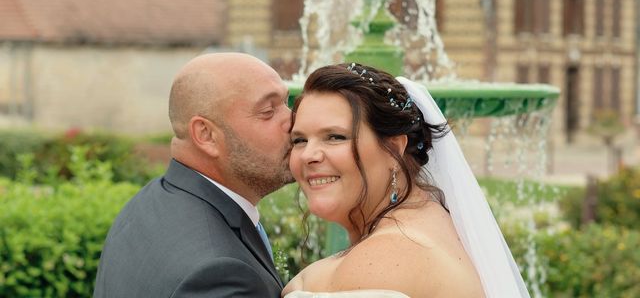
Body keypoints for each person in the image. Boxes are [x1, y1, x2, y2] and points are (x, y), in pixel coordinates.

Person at [282, 63, 530, 298]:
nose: (308, 156)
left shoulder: (384, 258)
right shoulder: (437, 220)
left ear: (393, 148)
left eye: (335, 137)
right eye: (299, 140)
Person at [94, 52, 292, 298]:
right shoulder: (220, 277)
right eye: (268, 111)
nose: (293, 121)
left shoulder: (147, 205)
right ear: (206, 135)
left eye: (286, 102)